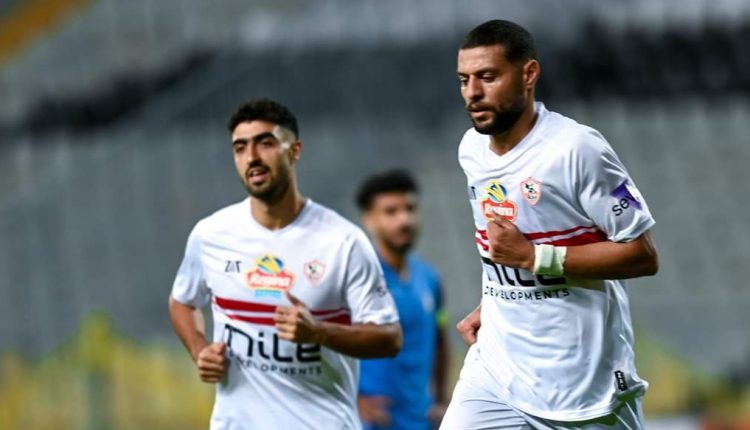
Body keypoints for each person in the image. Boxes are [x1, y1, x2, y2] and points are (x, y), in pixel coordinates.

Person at [441, 20, 659, 429]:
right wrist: (494, 303)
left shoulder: (577, 149)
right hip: (496, 374)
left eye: (488, 77)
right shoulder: (471, 149)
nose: (472, 92)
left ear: (528, 74)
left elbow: (642, 255)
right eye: (464, 80)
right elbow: (506, 250)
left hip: (583, 389)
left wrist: (536, 258)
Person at [168, 98, 403, 430]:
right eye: (240, 148)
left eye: (265, 143)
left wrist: (319, 332)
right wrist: (199, 350)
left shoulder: (343, 242)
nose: (252, 157)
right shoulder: (211, 235)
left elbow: (390, 338)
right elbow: (182, 301)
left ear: (294, 151)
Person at [354, 170, 450, 430]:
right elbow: (321, 340)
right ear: (369, 219)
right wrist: (355, 399)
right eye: (391, 212)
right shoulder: (356, 278)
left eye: (410, 208)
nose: (405, 219)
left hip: (420, 419)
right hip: (373, 423)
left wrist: (441, 399)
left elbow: (440, 340)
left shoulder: (430, 278)